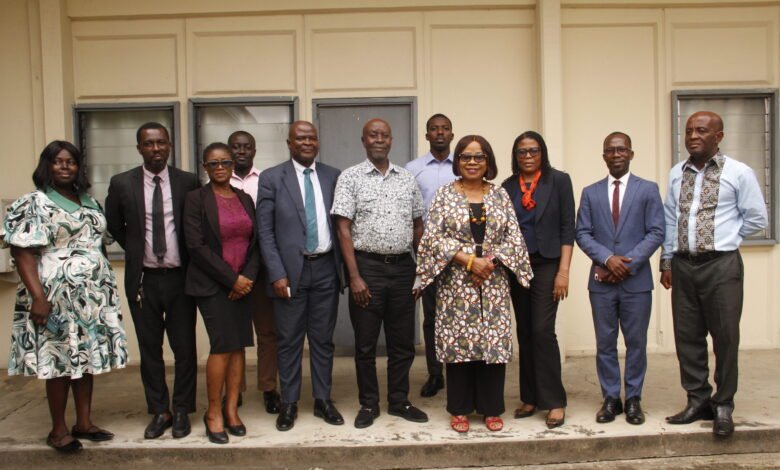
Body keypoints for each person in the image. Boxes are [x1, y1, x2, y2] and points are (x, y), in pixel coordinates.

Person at [2, 140, 128, 452]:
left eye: (70, 161)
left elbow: (97, 242)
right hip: (54, 294)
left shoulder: (88, 201)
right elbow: (22, 252)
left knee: (86, 359)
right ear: (47, 166)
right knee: (59, 361)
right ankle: (58, 430)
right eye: (57, 161)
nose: (64, 166)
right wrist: (38, 297)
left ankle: (83, 422)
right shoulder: (35, 202)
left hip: (91, 297)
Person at [660, 111, 767, 438]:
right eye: (689, 130)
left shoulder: (739, 173)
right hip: (683, 265)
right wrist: (667, 260)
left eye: (702, 130)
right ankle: (697, 399)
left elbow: (756, 219)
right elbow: (669, 218)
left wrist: (726, 238)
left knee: (725, 337)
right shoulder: (677, 173)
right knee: (687, 337)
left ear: (718, 136)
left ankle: (723, 404)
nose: (693, 135)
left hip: (721, 267)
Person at [416, 135, 532, 433]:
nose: (471, 162)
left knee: (491, 341)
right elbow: (432, 238)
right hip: (456, 281)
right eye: (466, 157)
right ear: (457, 162)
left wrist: (489, 262)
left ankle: (491, 408)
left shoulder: (500, 195)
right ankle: (460, 409)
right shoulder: (444, 195)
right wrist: (468, 261)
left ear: (487, 162)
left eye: (478, 157)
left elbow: (513, 237)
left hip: (492, 280)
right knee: (459, 343)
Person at [105, 122, 200, 439]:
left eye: (161, 143)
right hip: (143, 279)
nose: (156, 148)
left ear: (170, 145)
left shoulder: (188, 182)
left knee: (185, 348)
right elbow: (115, 225)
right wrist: (135, 248)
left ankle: (183, 409)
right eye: (149, 144)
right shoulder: (121, 183)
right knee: (150, 350)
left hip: (180, 279)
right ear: (139, 148)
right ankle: (160, 411)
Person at [331, 118, 428, 429]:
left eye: (385, 135)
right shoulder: (350, 178)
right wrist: (354, 276)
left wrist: (421, 271)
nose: (379, 139)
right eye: (373, 135)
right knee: (366, 345)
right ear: (364, 140)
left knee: (402, 343)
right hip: (367, 268)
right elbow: (343, 228)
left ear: (391, 140)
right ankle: (369, 404)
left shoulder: (407, 179)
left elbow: (417, 225)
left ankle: (399, 401)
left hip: (403, 269)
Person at [257, 121, 344, 432]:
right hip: (289, 273)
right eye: (300, 138)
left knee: (322, 340)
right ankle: (290, 402)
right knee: (290, 340)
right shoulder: (271, 178)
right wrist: (276, 273)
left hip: (325, 269)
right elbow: (264, 232)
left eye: (312, 138)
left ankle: (322, 400)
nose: (307, 142)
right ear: (289, 142)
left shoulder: (333, 176)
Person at [575, 132, 665, 425]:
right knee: (605, 342)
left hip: (636, 282)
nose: (616, 154)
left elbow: (656, 231)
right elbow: (582, 233)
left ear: (631, 154)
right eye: (610, 150)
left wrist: (630, 262)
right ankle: (611, 398)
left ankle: (634, 399)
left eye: (621, 150)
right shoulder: (591, 192)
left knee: (636, 342)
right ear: (604, 156)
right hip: (601, 282)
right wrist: (607, 259)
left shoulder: (648, 189)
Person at [183, 142, 260, 444]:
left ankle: (231, 409)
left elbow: (255, 242)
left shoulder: (243, 198)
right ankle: (213, 411)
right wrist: (232, 281)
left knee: (239, 345)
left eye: (224, 163)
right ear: (204, 167)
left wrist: (248, 278)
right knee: (222, 346)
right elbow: (196, 247)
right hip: (212, 285)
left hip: (244, 283)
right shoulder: (195, 199)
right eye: (212, 163)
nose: (219, 168)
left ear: (232, 166)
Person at [501, 130, 574, 428]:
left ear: (542, 153)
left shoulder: (558, 181)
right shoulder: (507, 186)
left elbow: (568, 226)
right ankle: (530, 396)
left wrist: (564, 271)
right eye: (522, 152)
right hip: (518, 266)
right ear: (515, 156)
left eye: (533, 151)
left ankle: (554, 401)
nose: (528, 156)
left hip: (548, 264)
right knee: (526, 332)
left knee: (543, 330)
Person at [227, 130, 281, 414]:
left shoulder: (266, 180)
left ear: (255, 150)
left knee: (268, 333)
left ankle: (269, 388)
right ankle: (236, 390)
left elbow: (269, 229)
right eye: (236, 147)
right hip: (229, 273)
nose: (241, 151)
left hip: (261, 269)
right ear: (228, 150)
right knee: (233, 334)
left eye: (247, 147)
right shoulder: (218, 180)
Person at [405, 113, 456, 398]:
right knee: (432, 316)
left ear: (451, 134)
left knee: (460, 313)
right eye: (434, 129)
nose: (439, 133)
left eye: (445, 129)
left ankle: (460, 370)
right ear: (426, 135)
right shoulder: (412, 169)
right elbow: (410, 214)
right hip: (427, 254)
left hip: (462, 254)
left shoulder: (463, 167)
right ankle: (435, 374)